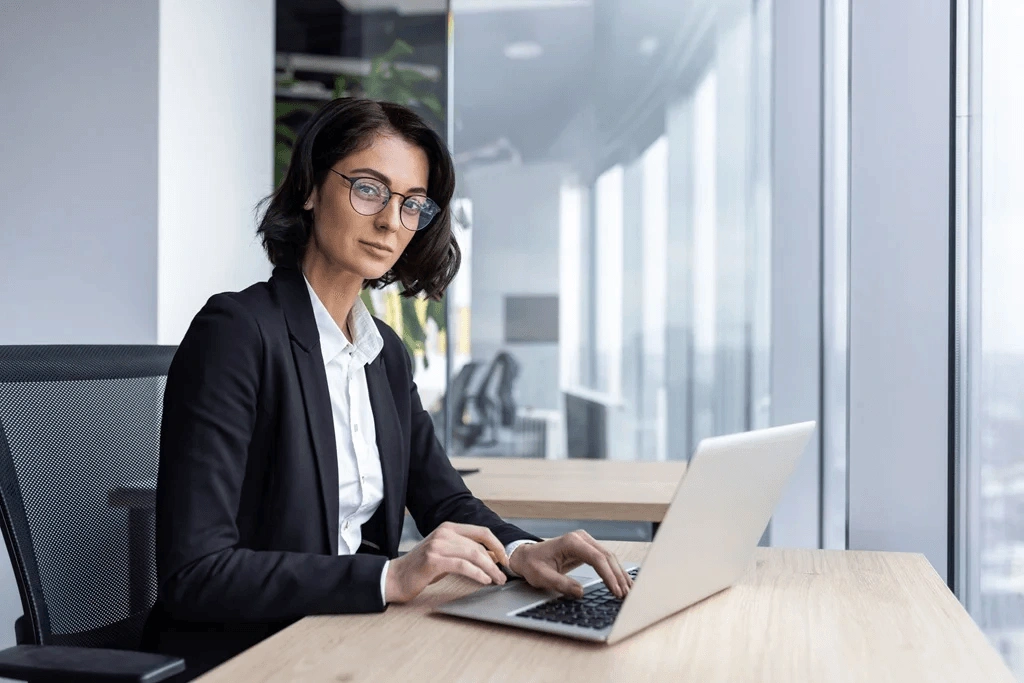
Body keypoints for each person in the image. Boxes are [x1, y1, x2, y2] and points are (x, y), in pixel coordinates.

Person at [142, 98, 632, 679]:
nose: (390, 222)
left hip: (348, 636)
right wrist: (393, 577)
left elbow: (446, 502)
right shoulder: (239, 334)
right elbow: (196, 573)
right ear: (309, 189)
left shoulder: (384, 356)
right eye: (369, 189)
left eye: (411, 204)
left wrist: (526, 553)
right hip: (248, 655)